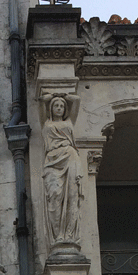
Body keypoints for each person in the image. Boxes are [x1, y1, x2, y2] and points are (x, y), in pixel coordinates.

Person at [40, 93, 83, 250]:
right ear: (51, 109)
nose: (59, 108)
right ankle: (57, 236)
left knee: (72, 196)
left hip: (69, 156)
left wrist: (65, 95)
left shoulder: (69, 121)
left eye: (61, 106)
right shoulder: (46, 123)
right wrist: (51, 96)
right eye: (56, 106)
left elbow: (76, 100)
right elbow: (41, 101)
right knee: (55, 196)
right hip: (52, 160)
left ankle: (68, 236)